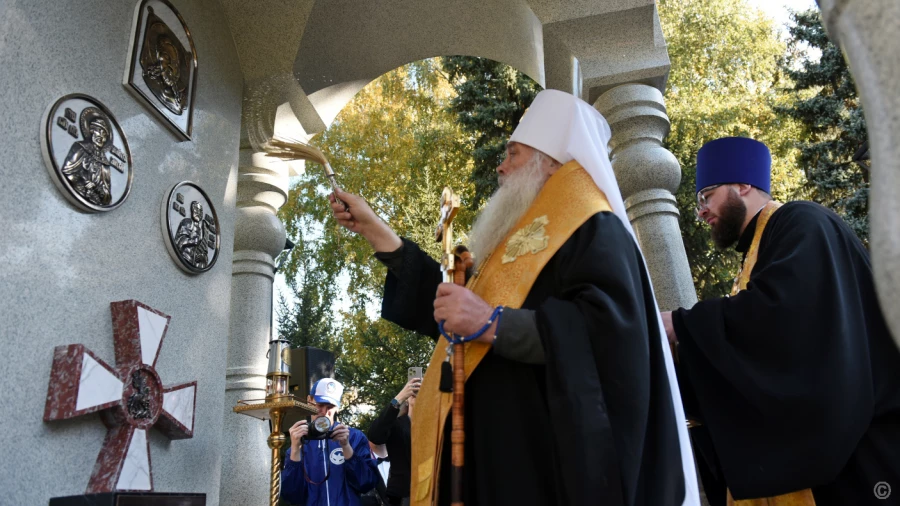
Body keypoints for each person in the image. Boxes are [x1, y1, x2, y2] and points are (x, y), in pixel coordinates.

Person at [330, 89, 700, 506]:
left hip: (545, 465)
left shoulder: (595, 227)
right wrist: (375, 230)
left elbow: (609, 335)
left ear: (551, 163)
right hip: (497, 459)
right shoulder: (518, 242)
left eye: (513, 154)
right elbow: (454, 308)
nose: (501, 167)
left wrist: (492, 323)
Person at [661, 137, 900, 506]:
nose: (702, 212)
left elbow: (784, 317)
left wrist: (680, 324)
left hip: (863, 458)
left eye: (706, 196)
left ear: (742, 184)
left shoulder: (802, 220)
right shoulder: (759, 254)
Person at [282, 378, 378, 506]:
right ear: (309, 401)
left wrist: (346, 448)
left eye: (330, 407)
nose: (324, 412)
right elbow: (291, 496)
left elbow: (367, 483)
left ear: (338, 407)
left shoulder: (355, 437)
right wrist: (295, 450)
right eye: (320, 405)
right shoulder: (300, 441)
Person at [367, 378, 420, 506]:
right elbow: (375, 436)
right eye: (414, 390)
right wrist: (399, 397)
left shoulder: (435, 427)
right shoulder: (395, 425)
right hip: (401, 497)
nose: (417, 393)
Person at [61, 107, 114, 206]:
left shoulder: (105, 162)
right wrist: (84, 184)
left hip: (96, 200)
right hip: (79, 192)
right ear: (92, 131)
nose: (101, 137)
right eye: (99, 131)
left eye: (104, 135)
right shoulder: (80, 147)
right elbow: (67, 172)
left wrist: (102, 192)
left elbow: (108, 196)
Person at [174, 201, 210, 268]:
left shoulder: (203, 230)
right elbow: (179, 241)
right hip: (185, 258)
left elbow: (206, 253)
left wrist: (203, 257)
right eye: (196, 209)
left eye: (200, 211)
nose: (198, 212)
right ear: (192, 210)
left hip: (196, 265)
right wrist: (192, 241)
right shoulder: (187, 222)